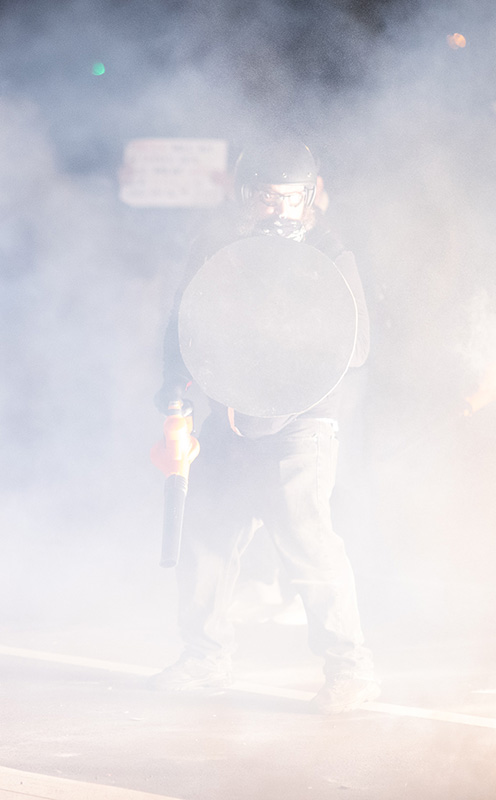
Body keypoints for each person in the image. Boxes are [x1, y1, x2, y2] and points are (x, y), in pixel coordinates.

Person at [151, 141, 380, 714]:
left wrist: (291, 329)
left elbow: (355, 348)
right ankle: (205, 657)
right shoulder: (217, 249)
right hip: (229, 413)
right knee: (207, 536)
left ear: (308, 199)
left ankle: (350, 669)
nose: (277, 209)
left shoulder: (328, 252)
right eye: (266, 197)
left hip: (302, 422)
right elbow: (185, 320)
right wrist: (174, 385)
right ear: (245, 196)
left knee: (307, 542)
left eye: (289, 198)